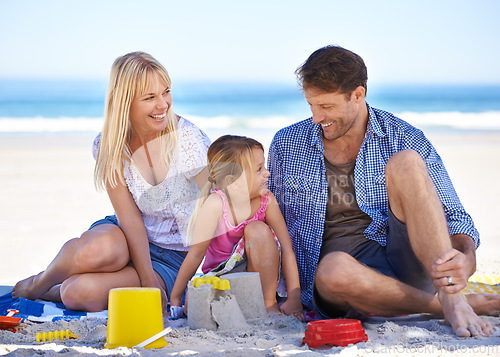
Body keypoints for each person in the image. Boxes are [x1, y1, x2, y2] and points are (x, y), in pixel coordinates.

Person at [268, 45, 500, 337]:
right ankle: (452, 305)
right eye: (311, 105)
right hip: (342, 281)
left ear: (358, 95)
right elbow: (271, 222)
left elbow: (454, 216)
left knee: (407, 163)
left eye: (326, 107)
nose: (316, 117)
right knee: (332, 270)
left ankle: (452, 297)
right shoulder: (287, 144)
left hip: (409, 266)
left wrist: (466, 255)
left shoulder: (404, 136)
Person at [12, 52, 211, 312]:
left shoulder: (189, 141)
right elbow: (129, 218)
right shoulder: (109, 144)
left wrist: (155, 279)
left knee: (77, 294)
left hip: (175, 259)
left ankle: (58, 290)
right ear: (124, 102)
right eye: (150, 97)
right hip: (126, 237)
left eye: (166, 92)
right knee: (101, 249)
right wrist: (145, 276)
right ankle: (40, 282)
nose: (163, 104)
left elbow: (214, 215)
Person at [169, 135, 305, 320]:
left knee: (257, 229)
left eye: (263, 166)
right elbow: (196, 254)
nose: (267, 173)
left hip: (261, 281)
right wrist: (176, 297)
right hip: (225, 278)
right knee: (194, 306)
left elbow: (287, 249)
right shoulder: (216, 204)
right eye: (259, 169)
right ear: (232, 181)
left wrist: (294, 298)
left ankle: (268, 305)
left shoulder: (267, 200)